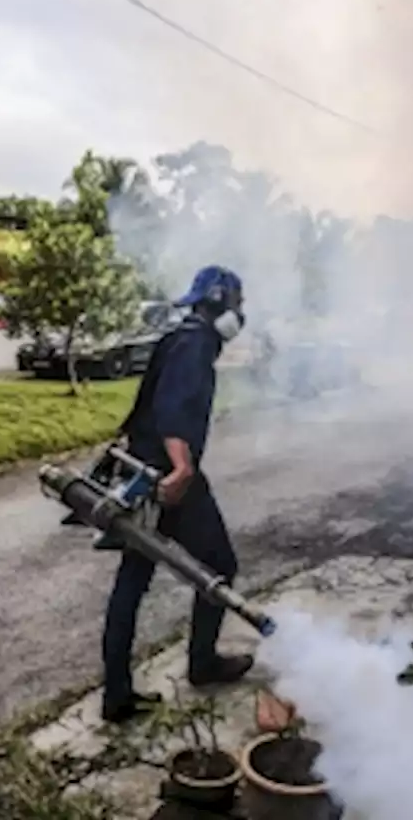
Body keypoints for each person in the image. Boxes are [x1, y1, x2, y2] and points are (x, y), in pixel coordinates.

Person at [100, 264, 254, 724]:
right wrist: (183, 467)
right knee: (220, 565)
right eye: (238, 306)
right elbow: (170, 408)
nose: (240, 315)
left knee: (132, 581)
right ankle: (203, 663)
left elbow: (148, 404)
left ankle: (117, 693)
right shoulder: (197, 342)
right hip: (168, 477)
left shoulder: (179, 335)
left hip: (145, 472)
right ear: (221, 304)